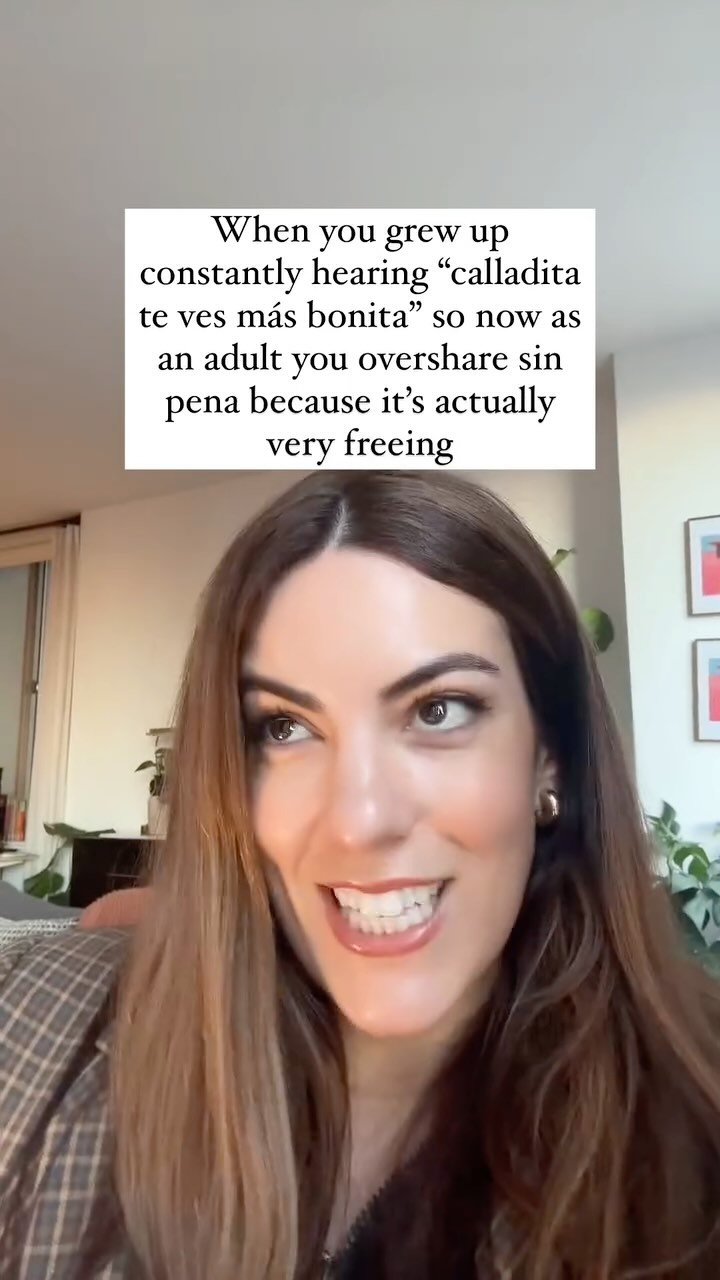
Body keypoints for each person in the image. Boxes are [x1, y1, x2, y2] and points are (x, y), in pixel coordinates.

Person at [1, 470, 719, 1280]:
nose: (358, 820)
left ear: (548, 754)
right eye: (285, 727)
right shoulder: (36, 1023)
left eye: (438, 710)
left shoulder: (691, 1140)